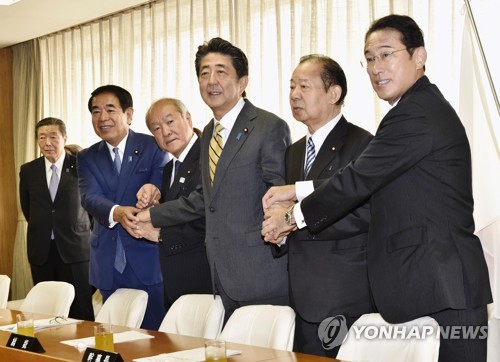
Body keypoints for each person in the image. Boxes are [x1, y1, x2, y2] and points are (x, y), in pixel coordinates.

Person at [262, 15, 492, 362]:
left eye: (386, 54)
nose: (376, 68)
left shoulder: (415, 113)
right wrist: (297, 189)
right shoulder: (416, 108)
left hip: (445, 287)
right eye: (369, 59)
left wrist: (292, 215)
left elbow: (358, 180)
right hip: (431, 286)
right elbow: (368, 176)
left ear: (419, 56)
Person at [136, 37, 291, 322]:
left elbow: (279, 193)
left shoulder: (268, 127)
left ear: (243, 82)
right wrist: (152, 215)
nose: (211, 80)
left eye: (221, 71)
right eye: (204, 73)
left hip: (260, 271)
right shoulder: (207, 133)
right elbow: (205, 199)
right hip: (218, 275)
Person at [265, 54, 374, 357]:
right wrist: (279, 231)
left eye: (304, 86)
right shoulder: (294, 152)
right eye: (291, 87)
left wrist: (294, 219)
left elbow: (364, 213)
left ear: (333, 93)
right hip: (300, 297)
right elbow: (290, 212)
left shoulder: (362, 145)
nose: (294, 95)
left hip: (343, 295)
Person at [77, 85, 168, 329]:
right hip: (107, 262)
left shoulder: (153, 146)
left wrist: (154, 191)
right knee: (112, 337)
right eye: (96, 112)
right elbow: (89, 197)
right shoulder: (86, 157)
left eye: (110, 109)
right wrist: (116, 211)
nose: (102, 117)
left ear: (128, 114)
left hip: (147, 258)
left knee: (154, 337)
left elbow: (163, 181)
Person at [137, 98, 212, 311]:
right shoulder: (170, 167)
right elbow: (176, 214)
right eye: (157, 128)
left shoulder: (208, 157)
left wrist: (159, 229)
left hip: (203, 277)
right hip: (175, 280)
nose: (166, 132)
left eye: (170, 122)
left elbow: (207, 214)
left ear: (188, 118)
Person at [19, 117, 94, 321]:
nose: (47, 142)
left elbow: (92, 206)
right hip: (41, 249)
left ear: (64, 138)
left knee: (80, 308)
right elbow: (28, 208)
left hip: (75, 248)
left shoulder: (81, 166)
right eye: (42, 137)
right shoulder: (28, 170)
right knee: (46, 311)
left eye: (53, 136)